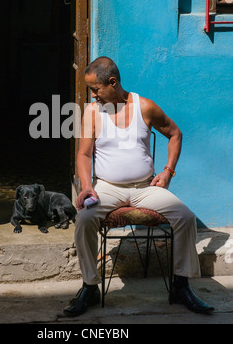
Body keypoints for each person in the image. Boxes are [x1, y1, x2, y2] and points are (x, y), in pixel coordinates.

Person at [64, 56, 214, 317]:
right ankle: (90, 286)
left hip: (145, 188)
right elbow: (84, 154)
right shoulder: (92, 112)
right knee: (85, 218)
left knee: (185, 217)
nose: (93, 96)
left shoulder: (145, 107)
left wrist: (168, 173)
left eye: (95, 90)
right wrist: (87, 186)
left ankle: (181, 285)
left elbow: (175, 134)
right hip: (108, 188)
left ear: (112, 83)